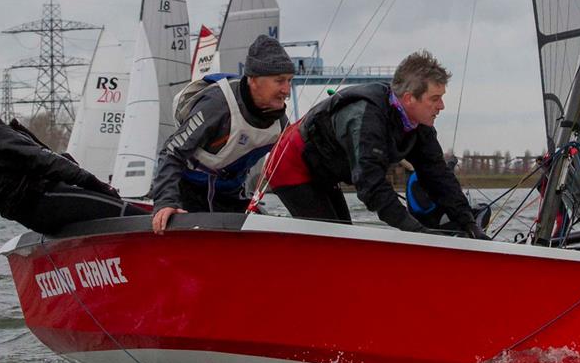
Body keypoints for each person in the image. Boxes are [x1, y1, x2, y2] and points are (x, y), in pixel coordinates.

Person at [265, 50, 490, 239]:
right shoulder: (366, 118)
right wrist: (416, 231)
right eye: (435, 98)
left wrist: (469, 223)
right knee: (334, 241)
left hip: (325, 171)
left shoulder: (419, 125)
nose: (441, 106)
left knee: (342, 234)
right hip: (290, 166)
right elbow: (371, 186)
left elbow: (438, 175)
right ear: (410, 98)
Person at [0, 55, 146, 234]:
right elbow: (41, 158)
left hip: (34, 217)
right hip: (46, 200)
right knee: (139, 218)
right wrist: (97, 185)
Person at [151, 35, 294, 234]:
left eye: (289, 80)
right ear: (253, 80)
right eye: (279, 81)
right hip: (187, 192)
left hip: (230, 194)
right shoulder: (217, 105)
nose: (287, 90)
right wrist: (165, 202)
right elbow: (171, 153)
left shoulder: (281, 124)